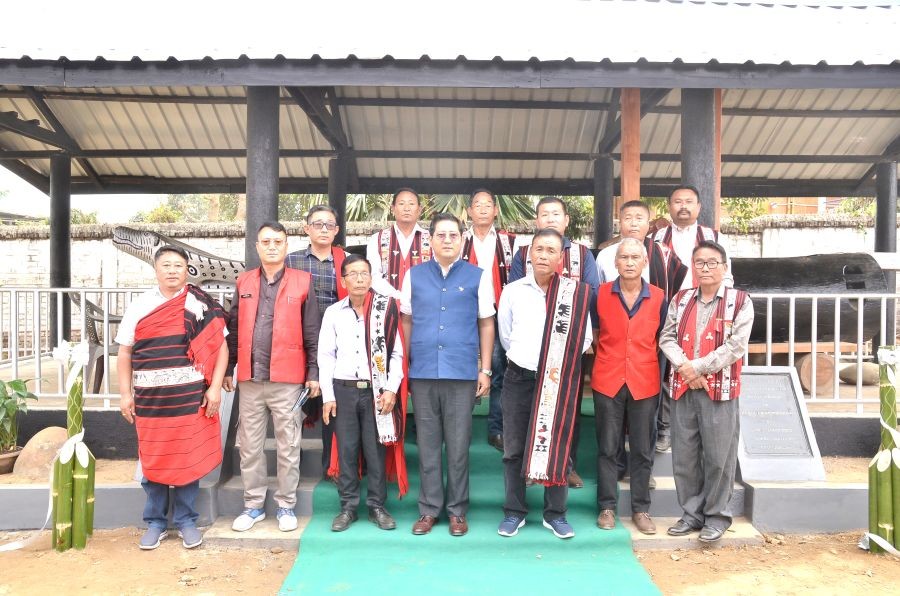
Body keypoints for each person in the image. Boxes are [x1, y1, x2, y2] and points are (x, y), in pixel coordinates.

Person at [116, 245, 229, 550]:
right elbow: (124, 351)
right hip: (150, 401)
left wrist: (215, 387)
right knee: (153, 458)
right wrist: (126, 394)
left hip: (190, 398)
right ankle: (154, 522)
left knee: (186, 457)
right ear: (156, 269)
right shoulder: (140, 305)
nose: (172, 270)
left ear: (187, 270)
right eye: (166, 265)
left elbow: (221, 348)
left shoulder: (200, 304)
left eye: (178, 265)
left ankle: (186, 521)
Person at [224, 221, 322, 533]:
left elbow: (312, 334)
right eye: (265, 241)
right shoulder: (243, 282)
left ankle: (285, 505)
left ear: (286, 245)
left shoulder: (303, 282)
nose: (271, 247)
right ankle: (253, 505)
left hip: (288, 379)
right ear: (257, 246)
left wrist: (314, 373)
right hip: (251, 380)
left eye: (277, 242)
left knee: (288, 445)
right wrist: (230, 368)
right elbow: (234, 329)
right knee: (250, 446)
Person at [400, 213, 495, 537]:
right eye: (440, 235)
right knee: (427, 445)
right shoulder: (413, 276)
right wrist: (406, 366)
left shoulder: (478, 276)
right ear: (430, 239)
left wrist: (484, 368)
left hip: (461, 372)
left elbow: (486, 322)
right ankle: (428, 510)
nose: (447, 240)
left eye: (453, 235)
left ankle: (457, 511)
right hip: (424, 371)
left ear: (462, 239)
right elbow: (407, 321)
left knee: (457, 446)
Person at [496, 229, 593, 540]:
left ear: (560, 257)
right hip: (519, 377)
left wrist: (557, 363)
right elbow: (505, 335)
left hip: (558, 380)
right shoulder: (513, 291)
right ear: (529, 254)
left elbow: (585, 336)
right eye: (538, 249)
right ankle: (514, 511)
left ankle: (556, 514)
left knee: (559, 447)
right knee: (513, 448)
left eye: (551, 250)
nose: (543, 255)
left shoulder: (574, 292)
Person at [659, 240, 753, 543]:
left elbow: (736, 346)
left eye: (712, 262)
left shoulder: (740, 301)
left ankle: (716, 516)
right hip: (683, 390)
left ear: (724, 267)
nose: (705, 268)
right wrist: (686, 367)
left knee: (718, 457)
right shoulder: (681, 299)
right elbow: (666, 338)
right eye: (699, 262)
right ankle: (691, 514)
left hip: (720, 392)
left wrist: (697, 367)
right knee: (684, 456)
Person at [509, 196, 600, 489]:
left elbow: (591, 297)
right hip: (526, 356)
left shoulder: (584, 255)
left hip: (569, 351)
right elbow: (506, 321)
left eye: (555, 214)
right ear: (537, 221)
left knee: (566, 410)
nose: (550, 218)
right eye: (544, 214)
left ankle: (566, 465)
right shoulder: (522, 254)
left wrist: (579, 341)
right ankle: (531, 467)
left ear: (566, 220)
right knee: (526, 413)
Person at [596, 200, 687, 481]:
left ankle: (642, 471)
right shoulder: (605, 256)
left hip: (650, 342)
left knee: (646, 407)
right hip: (613, 348)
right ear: (619, 222)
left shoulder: (663, 253)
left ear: (649, 224)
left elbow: (674, 296)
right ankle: (618, 468)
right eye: (627, 218)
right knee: (612, 418)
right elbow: (597, 310)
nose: (633, 223)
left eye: (639, 218)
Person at [318, 254, 407, 532]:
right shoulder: (333, 312)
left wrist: (391, 388)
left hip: (376, 392)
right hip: (343, 391)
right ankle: (347, 508)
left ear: (371, 278)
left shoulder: (384, 310)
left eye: (364, 273)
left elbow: (396, 354)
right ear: (343, 280)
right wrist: (328, 396)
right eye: (352, 274)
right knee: (346, 450)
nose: (358, 278)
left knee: (375, 449)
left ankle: (377, 506)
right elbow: (325, 356)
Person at [592, 238, 667, 536]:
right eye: (624, 257)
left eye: (635, 257)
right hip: (607, 379)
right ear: (615, 262)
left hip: (644, 381)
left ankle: (641, 509)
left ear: (645, 262)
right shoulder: (599, 294)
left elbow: (663, 337)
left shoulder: (660, 297)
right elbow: (595, 333)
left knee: (642, 449)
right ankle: (607, 507)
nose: (630, 262)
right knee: (608, 448)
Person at [652, 186, 733, 454]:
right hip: (667, 308)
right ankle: (665, 428)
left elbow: (727, 275)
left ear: (698, 207)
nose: (683, 206)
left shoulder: (712, 236)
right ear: (669, 206)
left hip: (705, 306)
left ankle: (703, 429)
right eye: (677, 202)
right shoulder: (656, 237)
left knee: (703, 362)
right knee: (667, 368)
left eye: (689, 202)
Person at [285, 205, 348, 484]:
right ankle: (290, 467)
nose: (324, 229)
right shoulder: (291, 261)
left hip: (338, 345)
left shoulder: (346, 261)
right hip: (300, 342)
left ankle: (331, 465)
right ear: (306, 228)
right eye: (318, 224)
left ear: (336, 230)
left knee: (332, 404)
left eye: (329, 225)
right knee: (292, 406)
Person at [461, 188, 516, 452]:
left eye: (488, 205)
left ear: (496, 210)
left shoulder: (511, 242)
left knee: (497, 371)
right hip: (461, 313)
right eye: (477, 205)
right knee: (461, 371)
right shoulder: (458, 240)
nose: (482, 209)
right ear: (469, 211)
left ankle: (497, 429)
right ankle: (460, 427)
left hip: (496, 313)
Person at [366, 188, 431, 299]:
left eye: (411, 204)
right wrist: (397, 296)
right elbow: (373, 276)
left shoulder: (432, 239)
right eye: (401, 204)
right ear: (393, 209)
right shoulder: (376, 239)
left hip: (424, 305)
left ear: (419, 209)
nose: (406, 208)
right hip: (387, 305)